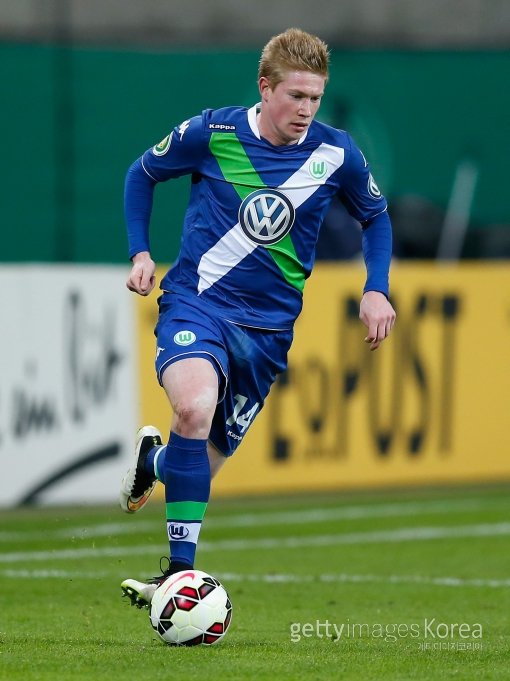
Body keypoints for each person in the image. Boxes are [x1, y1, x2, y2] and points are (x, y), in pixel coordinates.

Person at [119, 27, 396, 608]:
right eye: (295, 95)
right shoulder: (213, 133)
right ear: (265, 88)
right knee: (193, 408)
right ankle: (179, 576)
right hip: (198, 303)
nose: (306, 109)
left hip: (267, 332)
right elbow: (141, 173)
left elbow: (376, 216)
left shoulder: (337, 153)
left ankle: (155, 461)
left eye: (315, 98)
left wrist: (375, 289)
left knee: (201, 460)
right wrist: (140, 253)